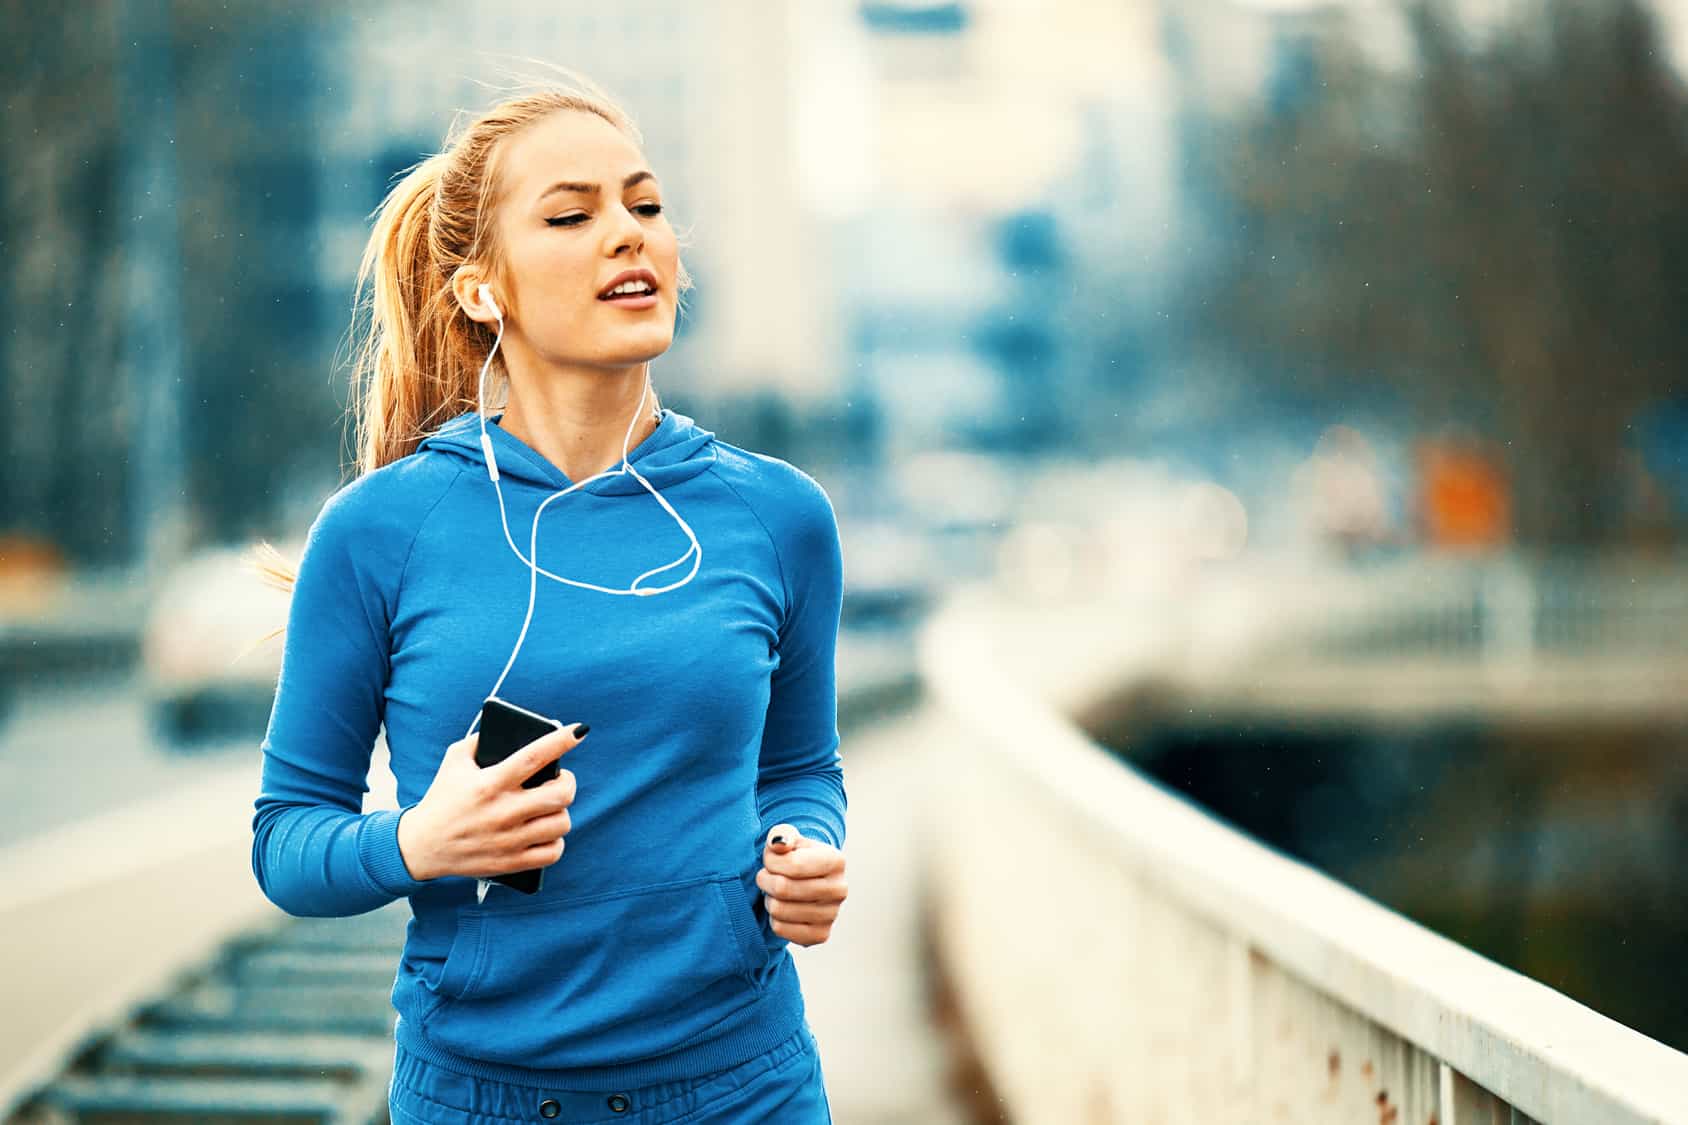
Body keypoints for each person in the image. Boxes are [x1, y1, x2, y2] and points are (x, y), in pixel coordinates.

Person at [248, 72, 848, 1124]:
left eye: (645, 205)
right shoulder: (378, 531)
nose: (627, 234)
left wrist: (803, 847)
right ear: (482, 291)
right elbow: (286, 841)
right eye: (572, 215)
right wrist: (416, 844)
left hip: (743, 1087)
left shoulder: (779, 516)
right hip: (483, 1097)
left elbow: (799, 768)